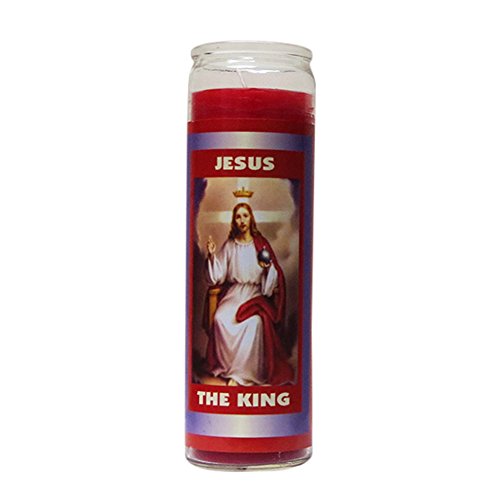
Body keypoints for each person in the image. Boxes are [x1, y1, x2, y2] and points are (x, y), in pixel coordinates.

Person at [204, 202, 294, 386]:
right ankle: (229, 368)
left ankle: (247, 373)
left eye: (245, 216)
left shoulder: (260, 245)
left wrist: (268, 268)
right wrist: (212, 255)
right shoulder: (230, 245)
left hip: (255, 294)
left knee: (254, 323)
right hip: (234, 293)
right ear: (234, 221)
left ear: (251, 218)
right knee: (221, 319)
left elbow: (272, 275)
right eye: (238, 217)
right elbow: (218, 275)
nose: (242, 220)